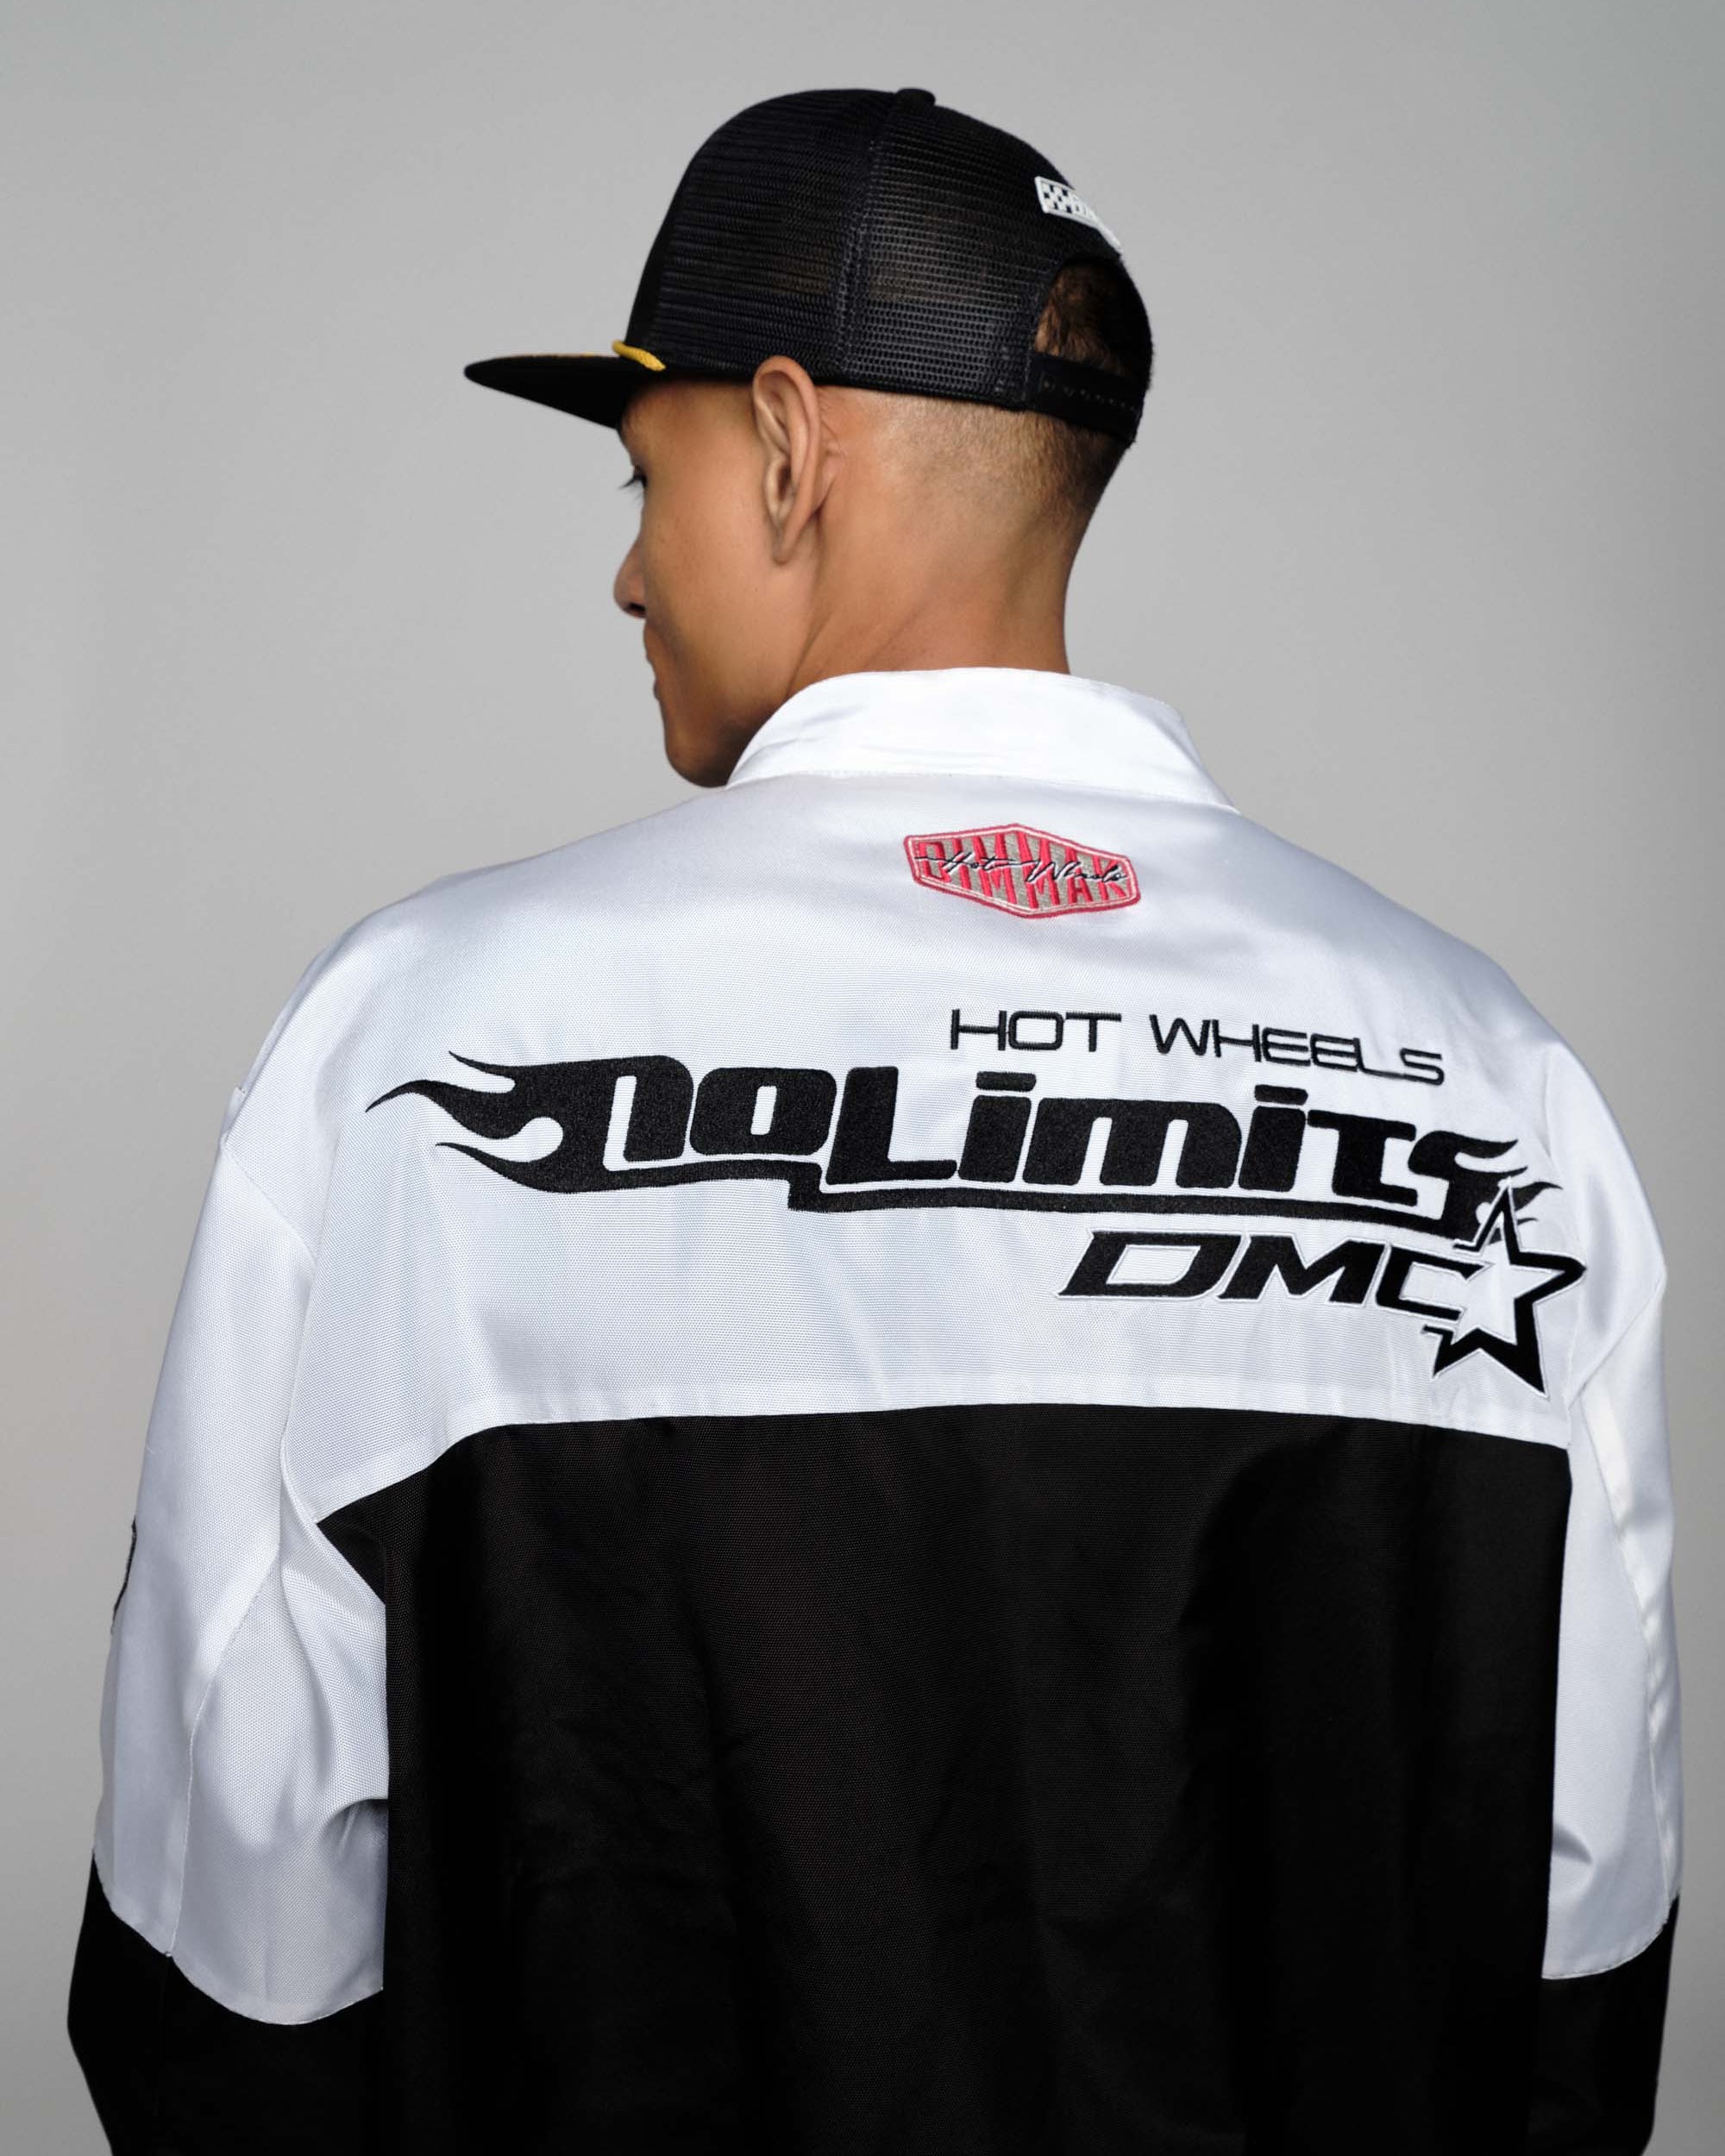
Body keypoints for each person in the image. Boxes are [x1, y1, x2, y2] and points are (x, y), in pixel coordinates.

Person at [68, 85, 1680, 2155]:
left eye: (643, 473)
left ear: (785, 446)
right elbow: (1575, 1966)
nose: (626, 574)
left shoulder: (409, 1056)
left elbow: (226, 1964)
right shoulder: (1495, 1086)